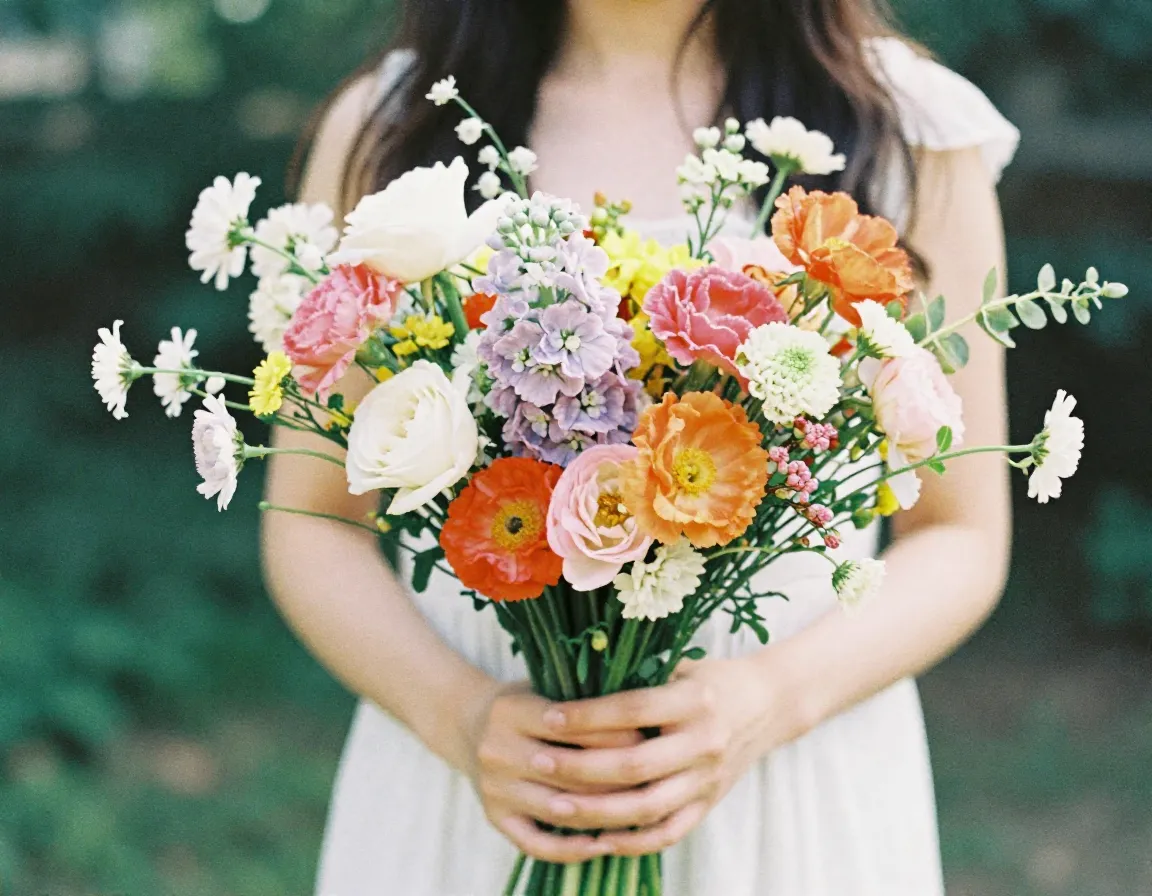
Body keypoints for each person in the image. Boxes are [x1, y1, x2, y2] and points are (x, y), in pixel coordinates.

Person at [262, 1, 1019, 893]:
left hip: (788, 793)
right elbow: (311, 516)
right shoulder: (393, 128)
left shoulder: (908, 131)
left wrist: (768, 702)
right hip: (469, 786)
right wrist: (464, 719)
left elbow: (962, 532)